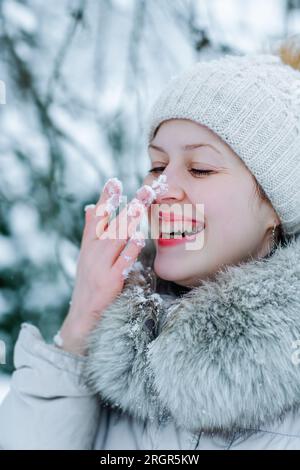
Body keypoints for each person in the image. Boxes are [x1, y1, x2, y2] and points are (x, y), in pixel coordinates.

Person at [0, 34, 300, 450]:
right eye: (157, 164)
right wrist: (79, 326)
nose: (161, 188)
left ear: (276, 208)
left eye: (200, 169)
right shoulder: (110, 362)